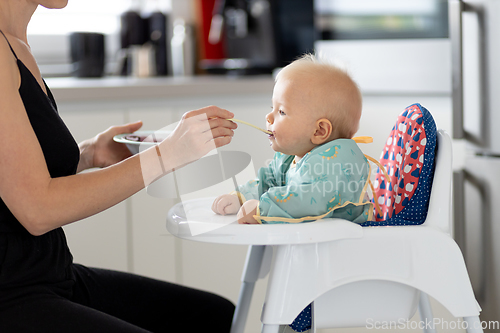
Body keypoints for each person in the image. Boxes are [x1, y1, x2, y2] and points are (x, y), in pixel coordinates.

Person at [0, 1, 237, 332]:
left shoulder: (16, 43)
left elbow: (14, 172)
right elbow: (36, 209)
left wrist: (89, 153)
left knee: (214, 314)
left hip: (53, 276)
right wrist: (167, 154)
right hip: (10, 294)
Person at [212, 54, 375, 225]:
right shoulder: (293, 155)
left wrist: (262, 210)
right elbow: (269, 181)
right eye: (271, 108)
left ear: (319, 130)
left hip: (342, 248)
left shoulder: (336, 164)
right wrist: (242, 197)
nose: (269, 116)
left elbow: (305, 201)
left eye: (281, 112)